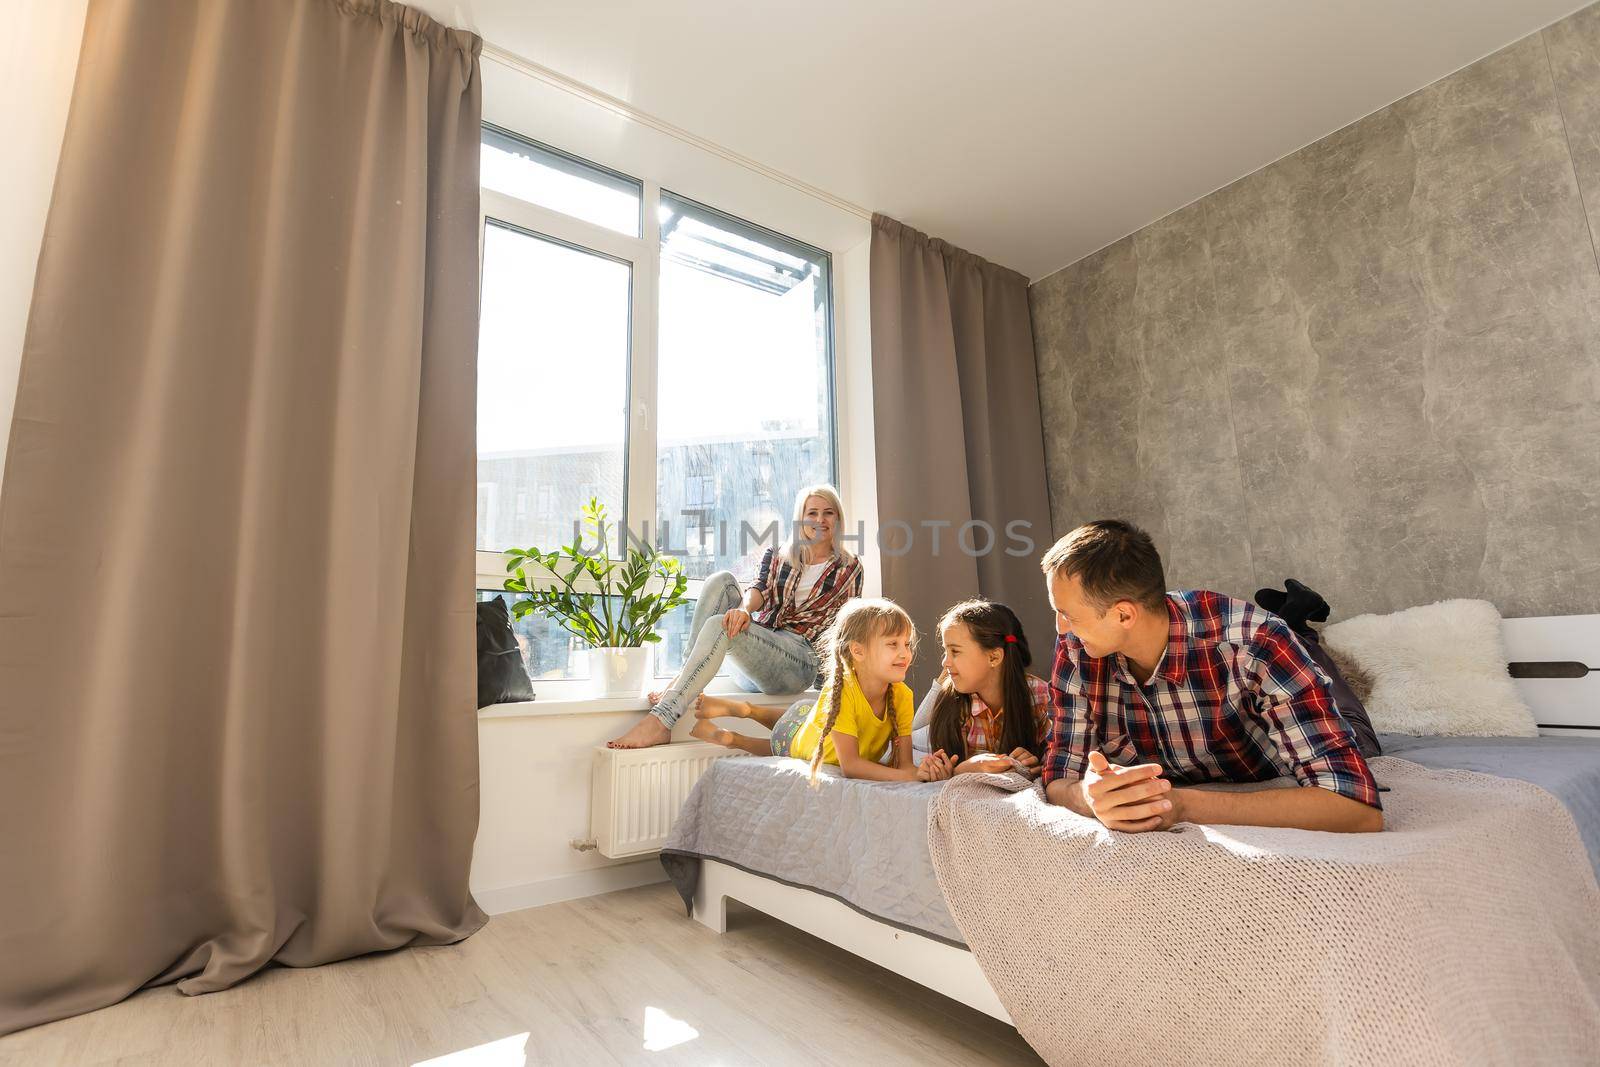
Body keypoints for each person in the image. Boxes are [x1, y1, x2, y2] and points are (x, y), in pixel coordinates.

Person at [1039, 520, 1383, 834]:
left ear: (1124, 614)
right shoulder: (1077, 647)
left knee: (1357, 733)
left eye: (1067, 614)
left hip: (1285, 720)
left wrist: (1183, 804)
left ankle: (1300, 626)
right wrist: (1089, 796)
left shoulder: (1256, 643)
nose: (1060, 627)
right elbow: (1060, 776)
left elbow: (1357, 806)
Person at [607, 485, 863, 749]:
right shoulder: (778, 554)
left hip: (798, 663)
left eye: (828, 513)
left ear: (838, 519)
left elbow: (844, 632)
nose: (820, 520)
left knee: (719, 624)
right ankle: (682, 677)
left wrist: (832, 696)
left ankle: (662, 720)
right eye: (812, 513)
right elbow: (760, 588)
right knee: (722, 581)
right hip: (757, 658)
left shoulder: (849, 567)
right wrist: (744, 610)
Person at [688, 598, 929, 785]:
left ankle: (745, 711)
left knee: (801, 720)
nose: (905, 653)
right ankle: (733, 737)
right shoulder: (842, 690)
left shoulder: (902, 695)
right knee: (781, 742)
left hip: (807, 717)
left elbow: (905, 765)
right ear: (858, 651)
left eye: (907, 644)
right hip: (800, 738)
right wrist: (907, 777)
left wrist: (925, 770)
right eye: (892, 644)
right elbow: (852, 766)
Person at [911, 599, 1049, 782]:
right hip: (918, 746)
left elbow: (1060, 759)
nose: (944, 662)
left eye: (955, 651)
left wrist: (1036, 762)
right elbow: (915, 742)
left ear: (994, 657)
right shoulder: (952, 702)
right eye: (946, 651)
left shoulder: (1040, 695)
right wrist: (960, 769)